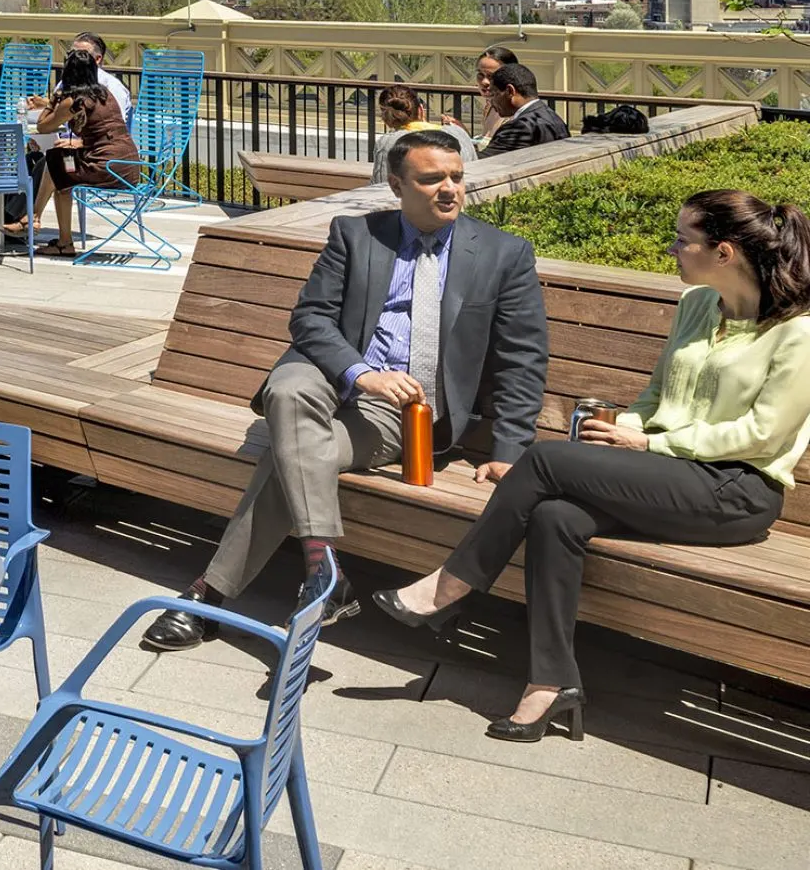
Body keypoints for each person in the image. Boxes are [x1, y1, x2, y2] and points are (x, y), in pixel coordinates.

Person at [375, 190, 810, 739]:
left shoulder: (798, 333)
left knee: (547, 460)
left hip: (737, 490)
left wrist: (649, 447)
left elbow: (761, 435)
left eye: (683, 240)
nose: (672, 249)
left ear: (723, 253)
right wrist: (626, 430)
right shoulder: (697, 305)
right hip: (670, 475)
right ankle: (550, 685)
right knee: (557, 516)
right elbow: (656, 397)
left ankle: (449, 588)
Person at [140, 129, 549, 650]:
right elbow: (311, 319)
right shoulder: (357, 235)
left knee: (292, 453)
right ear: (397, 186)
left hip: (403, 414)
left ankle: (211, 596)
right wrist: (361, 373)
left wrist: (509, 449)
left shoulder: (502, 254)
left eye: (456, 177)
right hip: (336, 376)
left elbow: (522, 359)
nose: (449, 189)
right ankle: (322, 565)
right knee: (288, 393)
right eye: (431, 179)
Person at [11, 48, 137, 258]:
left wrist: (53, 99)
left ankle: (35, 220)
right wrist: (82, 143)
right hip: (128, 164)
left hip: (107, 167)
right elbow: (105, 129)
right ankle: (50, 232)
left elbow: (43, 126)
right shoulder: (104, 94)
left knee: (54, 161)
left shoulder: (74, 101)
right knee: (60, 166)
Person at [371, 84, 478, 182]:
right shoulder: (458, 132)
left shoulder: (389, 143)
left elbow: (380, 186)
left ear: (387, 119)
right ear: (421, 110)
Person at [479, 62, 570, 157]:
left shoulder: (519, 128)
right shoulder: (554, 118)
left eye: (494, 94)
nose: (492, 102)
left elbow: (481, 162)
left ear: (510, 91)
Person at [69, 32, 135, 120]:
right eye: (71, 54)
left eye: (82, 55)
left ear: (97, 59)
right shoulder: (66, 81)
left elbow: (116, 124)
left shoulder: (112, 87)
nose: (74, 59)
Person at [476, 45, 522, 140]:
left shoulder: (517, 114)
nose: (485, 82)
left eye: (492, 76)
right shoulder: (489, 106)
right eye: (480, 74)